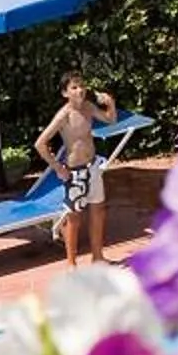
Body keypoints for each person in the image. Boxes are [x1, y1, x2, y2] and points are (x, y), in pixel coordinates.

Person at [33, 72, 119, 267]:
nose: (80, 90)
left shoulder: (88, 107)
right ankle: (71, 265)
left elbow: (111, 120)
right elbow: (40, 144)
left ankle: (97, 257)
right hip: (76, 172)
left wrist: (110, 103)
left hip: (93, 166)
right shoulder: (64, 115)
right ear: (65, 93)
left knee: (98, 210)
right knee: (74, 218)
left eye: (82, 86)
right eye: (74, 87)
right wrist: (58, 168)